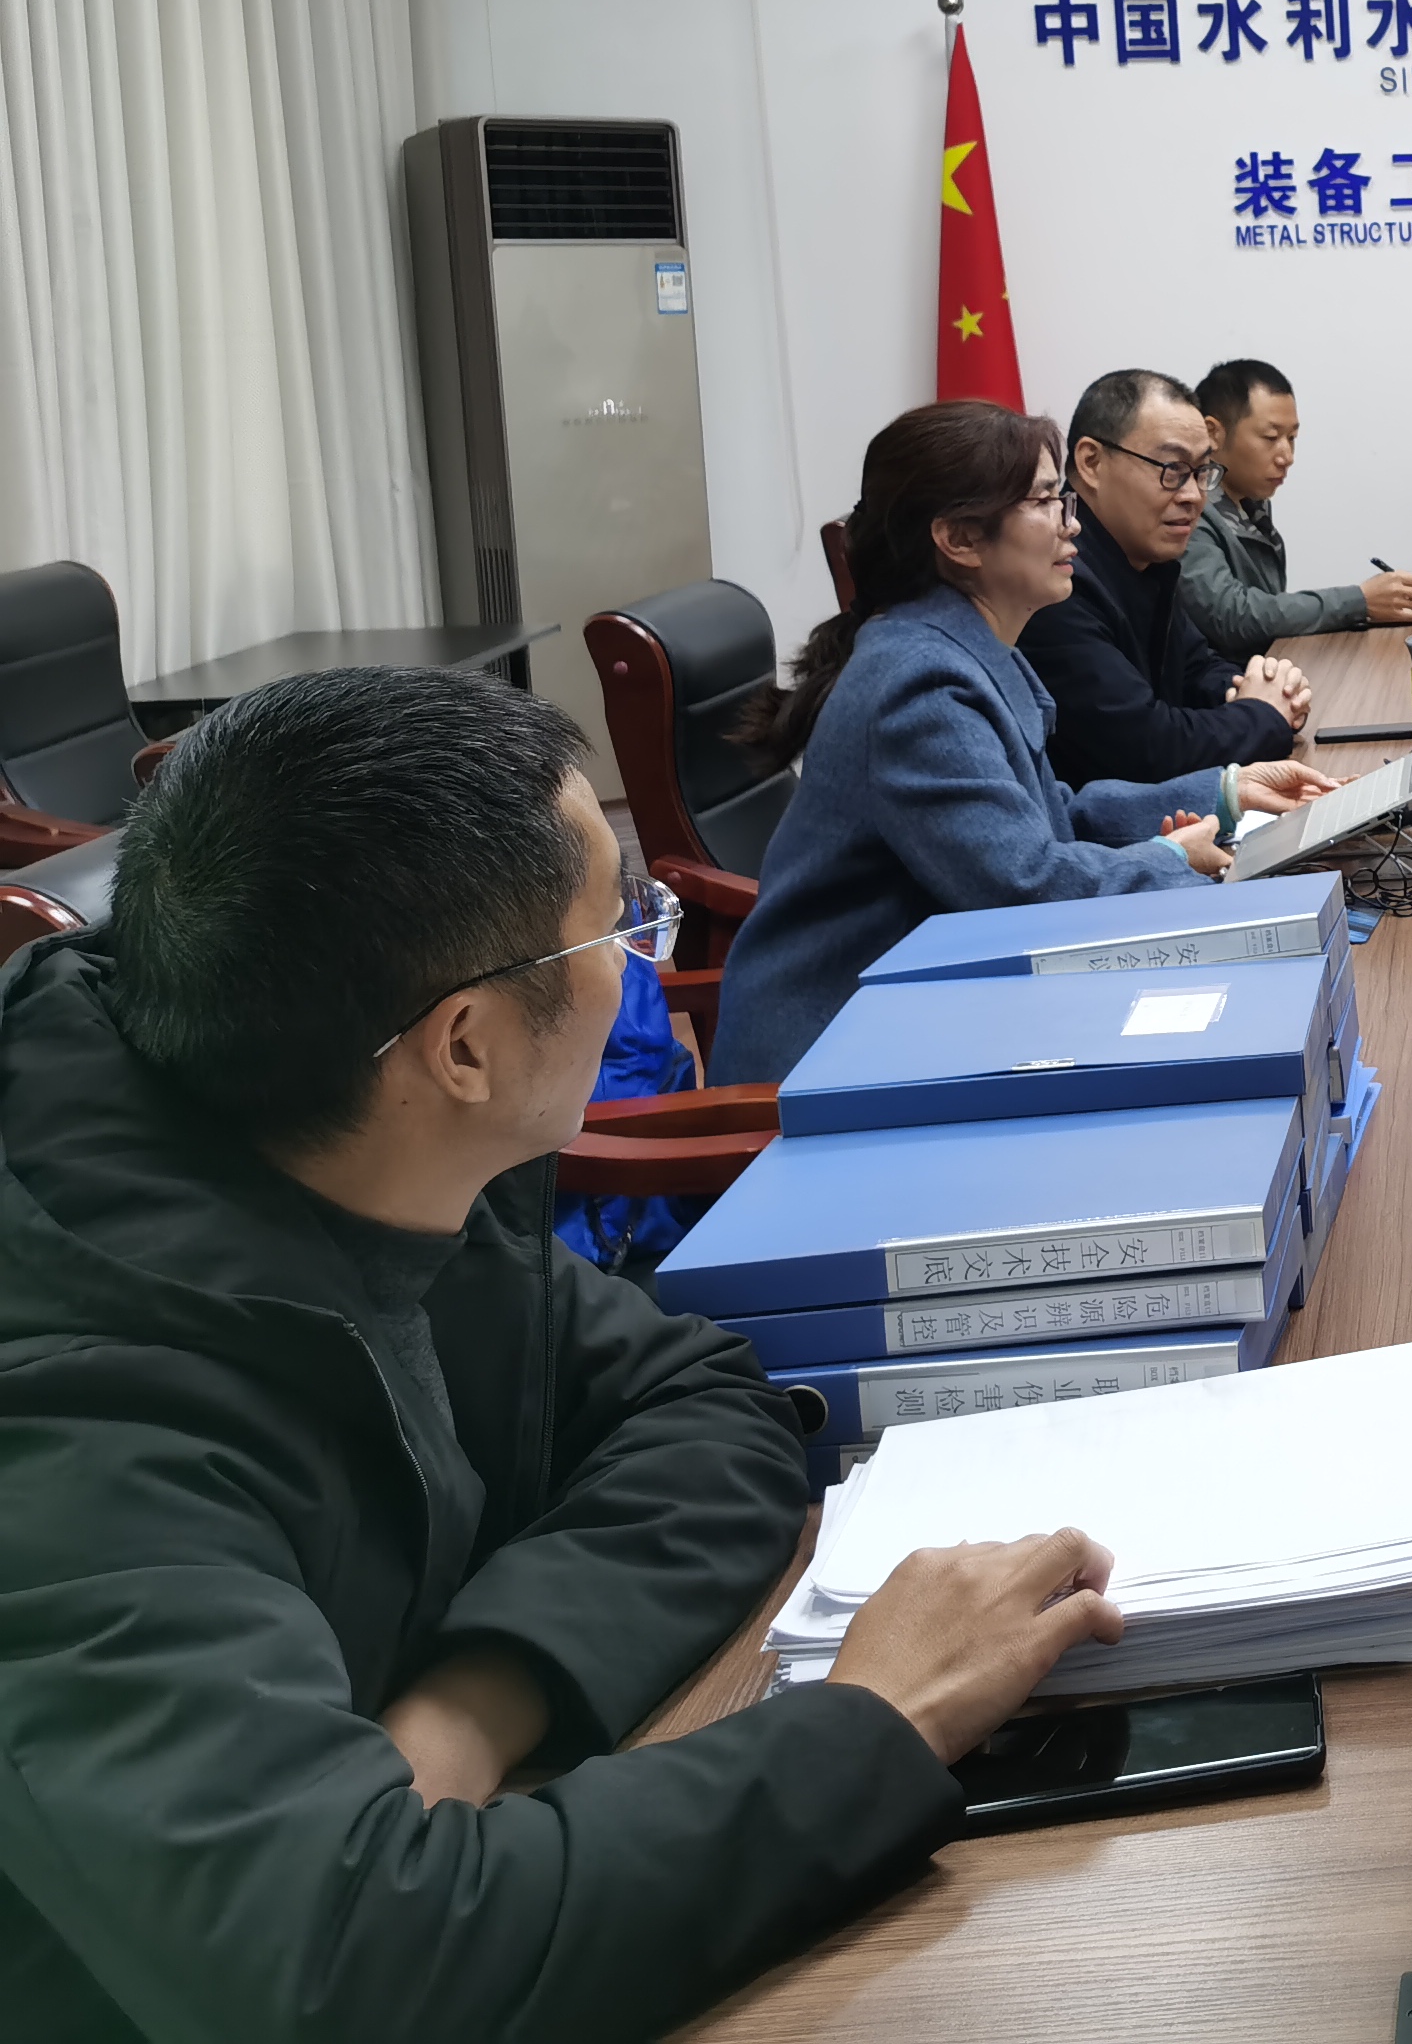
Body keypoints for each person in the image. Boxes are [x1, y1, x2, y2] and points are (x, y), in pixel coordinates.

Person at [0, 665, 1134, 2042]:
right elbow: (356, 1969)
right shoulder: (76, 1437)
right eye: (617, 927)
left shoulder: (359, 1147)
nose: (639, 970)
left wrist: (472, 1707)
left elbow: (705, 1400)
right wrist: (880, 1720)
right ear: (464, 1045)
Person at [711, 400, 1336, 1086]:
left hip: (926, 1014)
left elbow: (1051, 812)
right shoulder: (920, 687)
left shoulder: (968, 648)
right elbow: (1026, 890)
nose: (1073, 524)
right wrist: (1166, 859)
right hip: (828, 1057)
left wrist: (1224, 790)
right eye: (1045, 502)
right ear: (959, 538)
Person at [1025, 368, 1315, 789]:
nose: (1194, 496)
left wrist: (1262, 690)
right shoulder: (1056, 578)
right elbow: (1148, 750)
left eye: (1202, 472)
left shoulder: (1144, 557)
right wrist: (1263, 715)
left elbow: (1197, 668)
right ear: (1091, 462)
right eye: (1173, 469)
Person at [1180, 357, 1412, 659]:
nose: (1287, 456)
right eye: (1271, 437)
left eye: (1292, 438)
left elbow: (1267, 609)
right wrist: (1358, 601)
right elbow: (1232, 616)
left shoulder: (1252, 502)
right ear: (1213, 433)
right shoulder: (1190, 510)